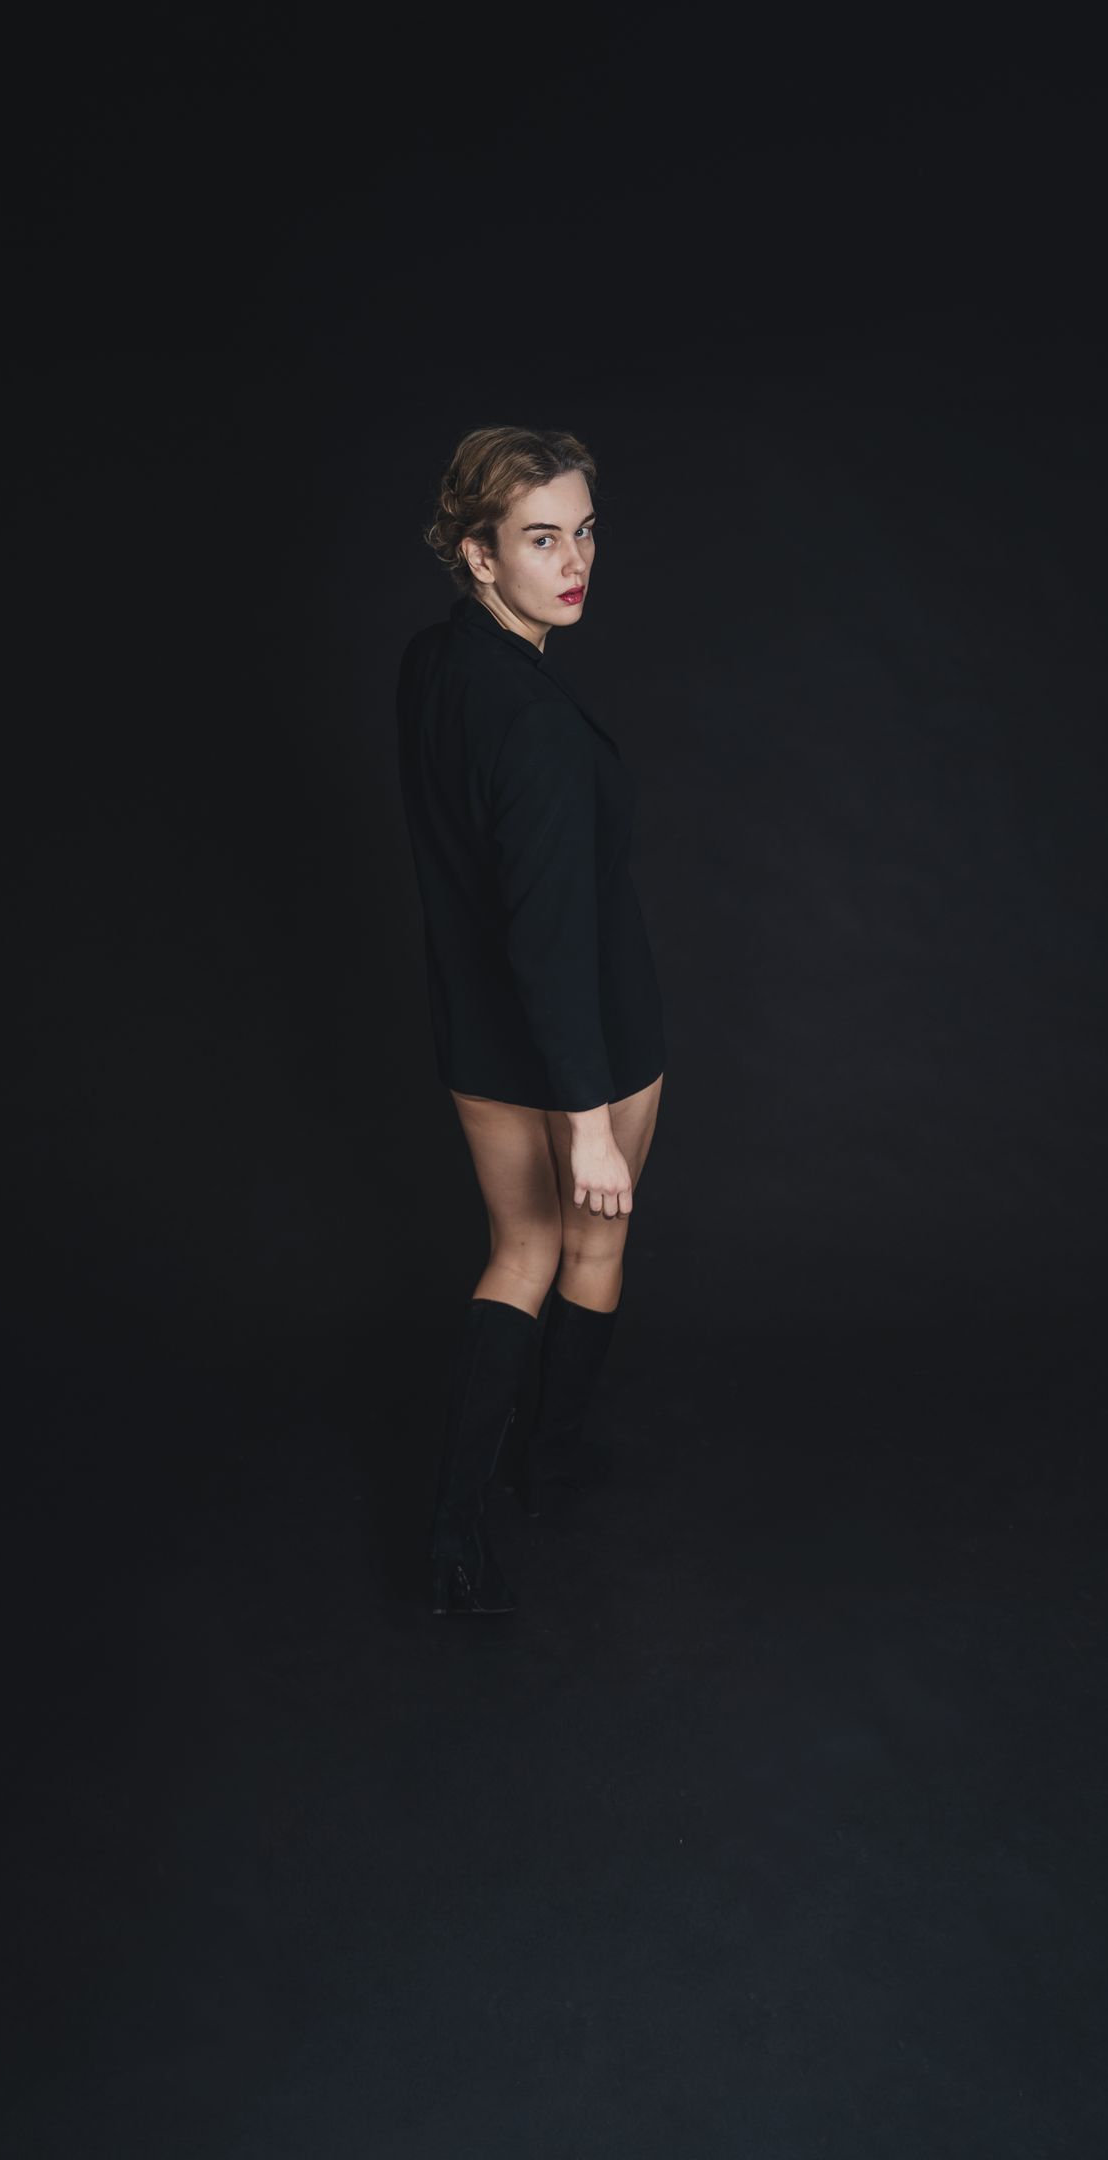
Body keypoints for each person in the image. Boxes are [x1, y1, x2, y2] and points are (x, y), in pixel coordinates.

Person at [396, 424, 667, 1616]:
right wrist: (590, 1123)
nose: (576, 562)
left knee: (519, 1250)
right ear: (478, 552)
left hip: (480, 1033)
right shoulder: (538, 726)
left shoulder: (435, 665)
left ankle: (453, 1538)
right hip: (586, 1036)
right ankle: (544, 1467)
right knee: (589, 1242)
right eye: (542, 538)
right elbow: (554, 942)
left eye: (586, 531)